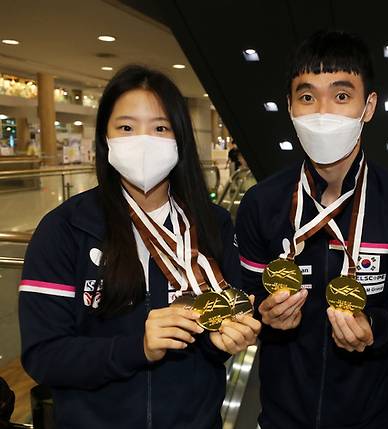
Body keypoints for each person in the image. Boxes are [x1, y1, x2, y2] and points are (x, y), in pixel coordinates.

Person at [19, 65, 260, 429]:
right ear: (105, 137)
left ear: (179, 138)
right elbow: (43, 354)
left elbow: (211, 341)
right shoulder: (65, 228)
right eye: (127, 127)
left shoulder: (213, 224)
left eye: (160, 128)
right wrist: (137, 347)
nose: (144, 140)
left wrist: (224, 339)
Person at [235, 30, 388, 428]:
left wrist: (375, 327)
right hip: (282, 418)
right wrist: (263, 315)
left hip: (375, 418)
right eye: (307, 97)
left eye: (341, 96)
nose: (323, 111)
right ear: (289, 106)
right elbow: (245, 298)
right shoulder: (262, 204)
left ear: (368, 106)